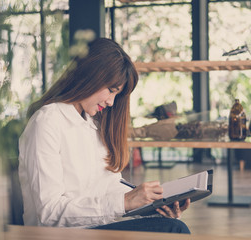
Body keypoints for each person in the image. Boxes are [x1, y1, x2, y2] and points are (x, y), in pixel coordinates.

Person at [18, 38, 191, 233]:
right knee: (173, 230)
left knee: (170, 226)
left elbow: (109, 187)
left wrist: (153, 205)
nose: (111, 102)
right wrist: (125, 202)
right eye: (111, 90)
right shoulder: (47, 122)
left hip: (96, 229)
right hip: (59, 235)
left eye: (116, 95)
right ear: (91, 76)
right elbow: (49, 213)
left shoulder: (93, 125)